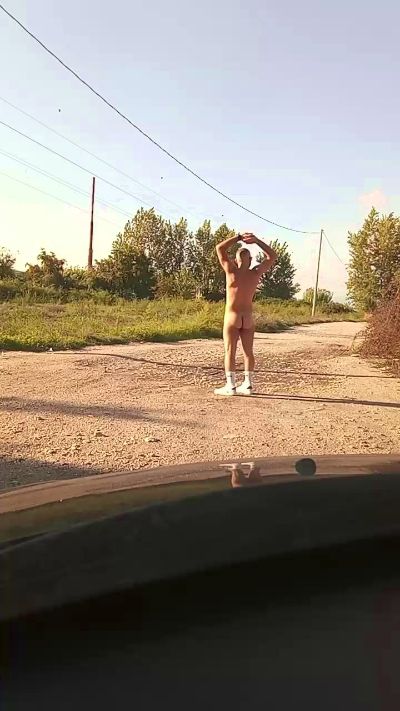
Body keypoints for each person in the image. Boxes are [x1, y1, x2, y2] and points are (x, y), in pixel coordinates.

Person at [214, 232, 277, 396]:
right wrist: (256, 241)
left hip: (232, 317)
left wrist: (238, 238)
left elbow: (219, 248)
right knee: (248, 352)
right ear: (251, 260)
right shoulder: (255, 273)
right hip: (248, 318)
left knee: (230, 351)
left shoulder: (231, 271)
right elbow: (272, 256)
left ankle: (231, 386)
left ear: (236, 260)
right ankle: (248, 385)